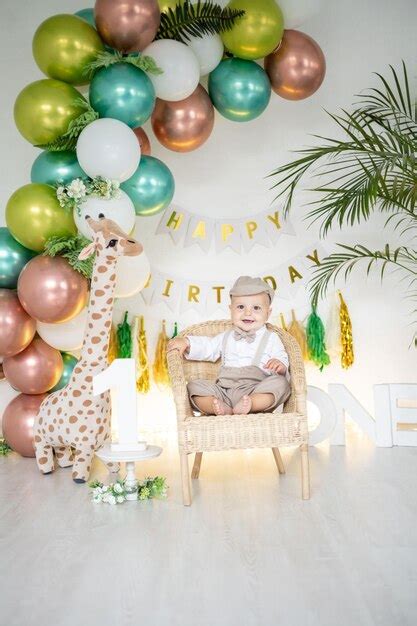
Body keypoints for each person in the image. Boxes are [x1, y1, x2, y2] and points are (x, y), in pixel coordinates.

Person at [167, 276, 291, 416]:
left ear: (268, 313)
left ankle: (251, 404)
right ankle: (217, 407)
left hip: (256, 389)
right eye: (240, 307)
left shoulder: (271, 338)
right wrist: (187, 343)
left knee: (281, 383)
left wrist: (280, 365)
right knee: (192, 387)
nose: (248, 313)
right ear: (231, 309)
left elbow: (281, 355)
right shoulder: (226, 336)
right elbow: (208, 346)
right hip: (223, 392)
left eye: (256, 308)